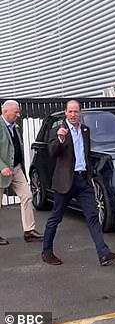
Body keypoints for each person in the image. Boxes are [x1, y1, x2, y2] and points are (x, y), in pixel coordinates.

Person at [41, 100, 115, 266]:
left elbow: (85, 154)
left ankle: (103, 253)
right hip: (65, 181)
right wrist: (60, 139)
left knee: (92, 216)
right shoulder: (58, 130)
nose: (73, 115)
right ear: (65, 113)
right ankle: (47, 251)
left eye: (76, 112)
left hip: (83, 181)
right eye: (70, 112)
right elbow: (52, 152)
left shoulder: (85, 130)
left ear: (80, 113)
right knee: (56, 218)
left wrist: (90, 175)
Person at [0, 100, 44, 245]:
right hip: (2, 170)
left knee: (26, 195)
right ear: (5, 112)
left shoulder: (14, 126)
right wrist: (2, 167)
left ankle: (29, 231)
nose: (19, 115)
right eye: (16, 112)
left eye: (19, 111)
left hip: (16, 169)